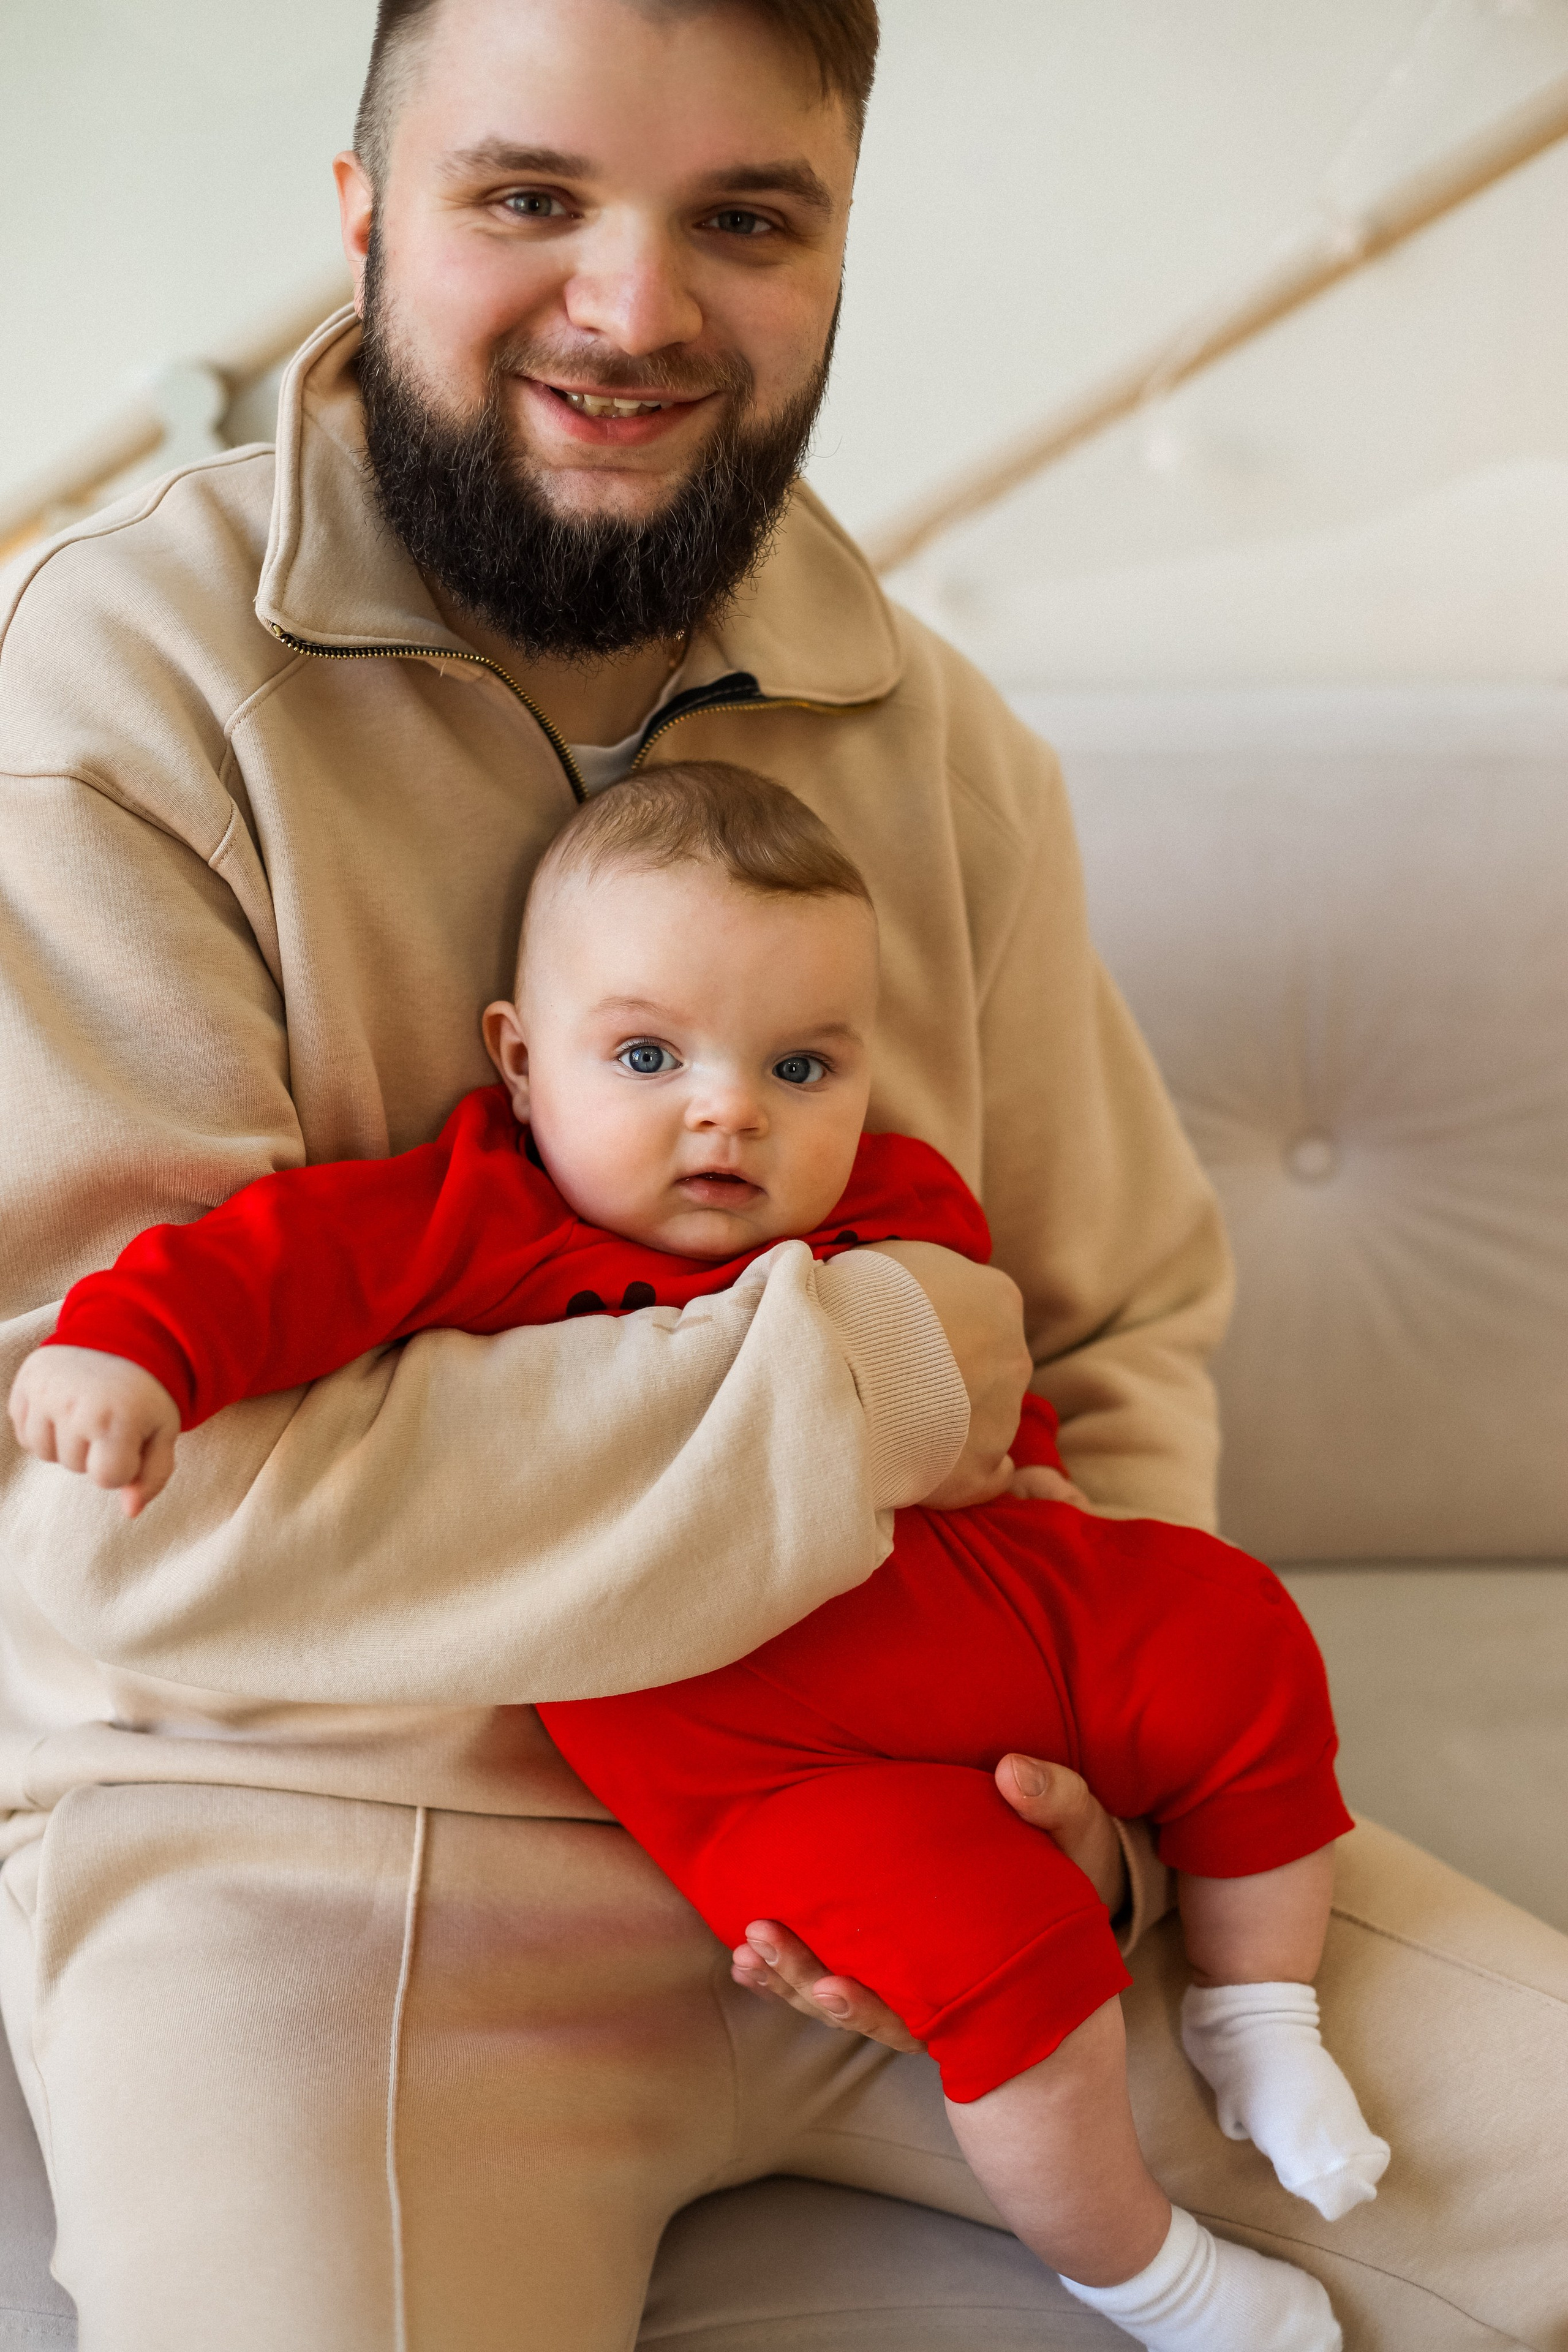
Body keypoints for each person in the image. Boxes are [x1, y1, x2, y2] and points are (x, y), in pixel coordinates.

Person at [0, 2, 1562, 2346]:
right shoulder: (106, 688)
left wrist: (1097, 1791)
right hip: (317, 1856)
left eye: (743, 218)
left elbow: (1115, 1324)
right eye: (526, 197)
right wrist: (882, 1378)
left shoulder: (943, 739)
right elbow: (133, 1528)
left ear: (834, 253)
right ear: (359, 220)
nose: (631, 314)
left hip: (954, 1797)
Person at [11, 761, 1389, 2348]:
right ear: (523, 1065)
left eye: (800, 1065)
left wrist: (1046, 1503)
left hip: (990, 1623)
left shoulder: (897, 1199)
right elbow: (267, 1268)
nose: (727, 1108)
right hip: (753, 1749)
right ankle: (1149, 2273)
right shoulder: (477, 1213)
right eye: (649, 1054)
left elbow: (998, 1399)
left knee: (1234, 1626)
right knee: (1010, 1969)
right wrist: (130, 1356)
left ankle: (1260, 2012)